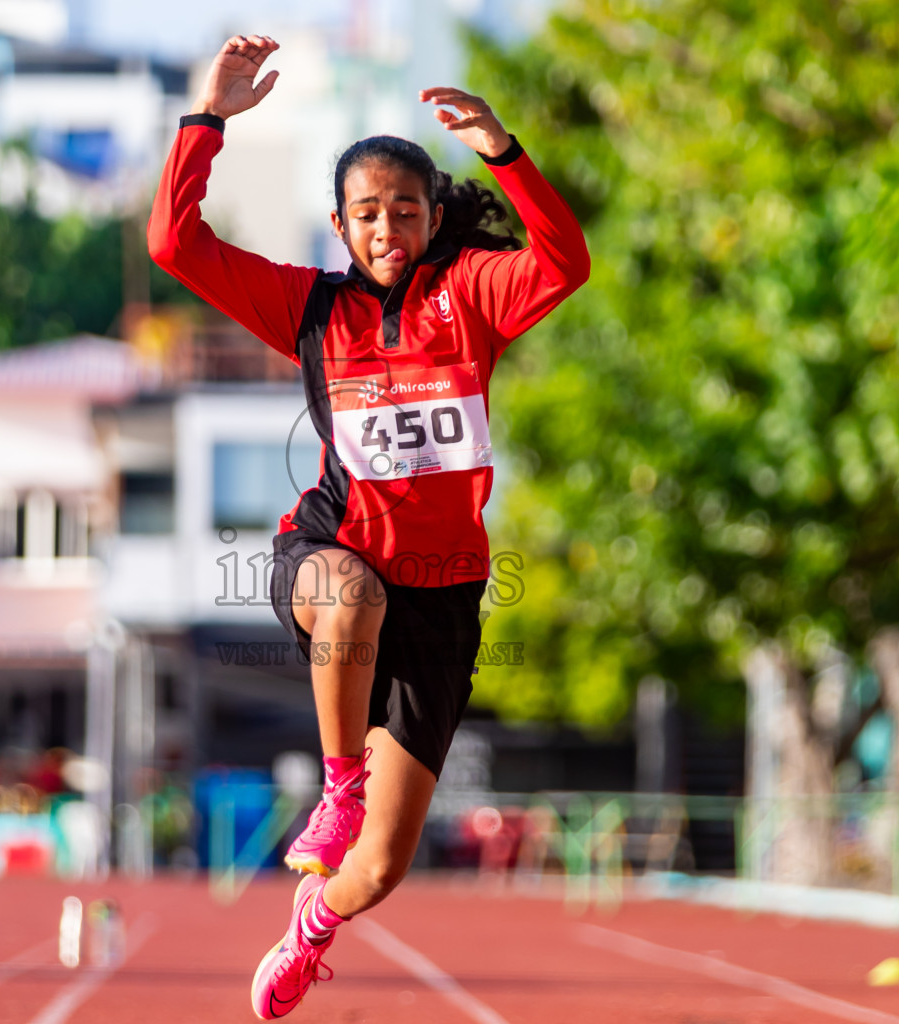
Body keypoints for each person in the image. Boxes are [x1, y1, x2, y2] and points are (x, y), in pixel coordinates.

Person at [148, 33, 590, 1020]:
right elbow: (174, 246)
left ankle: (312, 923)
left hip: (441, 602)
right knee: (350, 590)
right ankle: (338, 779)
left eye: (403, 209)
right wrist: (206, 118)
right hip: (329, 556)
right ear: (339, 226)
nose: (385, 227)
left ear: (433, 215)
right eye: (365, 213)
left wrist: (505, 155)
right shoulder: (311, 309)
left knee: (381, 870)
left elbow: (567, 262)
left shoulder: (470, 295)